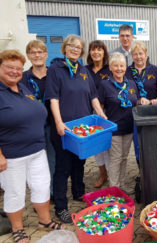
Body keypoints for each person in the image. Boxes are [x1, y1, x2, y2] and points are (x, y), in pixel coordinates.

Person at [0, 50, 64, 243]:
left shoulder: (22, 88)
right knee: (15, 191)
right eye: (9, 67)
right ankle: (17, 228)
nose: (14, 71)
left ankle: (44, 221)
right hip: (12, 155)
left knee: (42, 185)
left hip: (37, 150)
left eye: (18, 68)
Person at [45, 34, 107, 224]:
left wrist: (102, 115)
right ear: (65, 47)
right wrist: (58, 122)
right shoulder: (56, 69)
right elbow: (53, 98)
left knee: (79, 162)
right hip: (65, 129)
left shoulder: (83, 70)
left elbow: (93, 96)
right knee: (63, 167)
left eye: (79, 47)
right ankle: (61, 207)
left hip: (83, 129)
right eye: (71, 46)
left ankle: (79, 193)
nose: (75, 49)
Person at [98, 52, 143, 193]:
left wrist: (143, 102)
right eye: (116, 66)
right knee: (116, 159)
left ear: (125, 67)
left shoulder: (130, 83)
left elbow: (135, 100)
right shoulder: (104, 85)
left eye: (122, 66)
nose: (119, 69)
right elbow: (100, 106)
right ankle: (114, 188)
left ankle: (121, 185)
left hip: (129, 127)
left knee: (124, 158)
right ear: (110, 68)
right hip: (114, 129)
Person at [20, 40, 56, 200]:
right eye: (33, 52)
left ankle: (53, 192)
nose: (37, 55)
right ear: (28, 55)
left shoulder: (54, 75)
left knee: (52, 160)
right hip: (31, 128)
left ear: (46, 54)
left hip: (52, 125)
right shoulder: (23, 78)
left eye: (40, 52)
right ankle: (39, 196)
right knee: (34, 165)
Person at [125, 41, 157, 166]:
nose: (138, 57)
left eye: (141, 53)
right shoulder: (127, 71)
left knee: (154, 142)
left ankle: (154, 169)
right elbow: (123, 89)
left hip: (153, 112)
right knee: (139, 144)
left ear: (146, 54)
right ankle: (142, 170)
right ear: (132, 56)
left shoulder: (154, 70)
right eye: (135, 54)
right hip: (135, 113)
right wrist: (136, 100)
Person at [86, 40, 111, 188]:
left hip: (106, 112)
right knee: (96, 147)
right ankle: (103, 174)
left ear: (104, 52)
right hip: (89, 113)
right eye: (93, 50)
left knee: (107, 145)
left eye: (99, 50)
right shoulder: (84, 70)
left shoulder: (109, 70)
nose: (96, 52)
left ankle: (111, 174)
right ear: (89, 53)